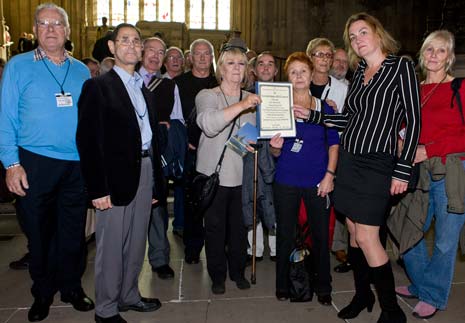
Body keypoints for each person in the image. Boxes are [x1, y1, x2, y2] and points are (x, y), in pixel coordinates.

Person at [299, 12, 420, 323]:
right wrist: (313, 116)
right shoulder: (361, 70)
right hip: (350, 161)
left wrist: (403, 168)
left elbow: (414, 119)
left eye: (363, 32)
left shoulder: (400, 66)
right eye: (352, 37)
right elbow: (350, 120)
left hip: (378, 164)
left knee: (368, 237)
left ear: (378, 34)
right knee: (353, 232)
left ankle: (392, 312)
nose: (357, 40)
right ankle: (363, 294)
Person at [0, 3, 95, 322]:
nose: (51, 29)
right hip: (34, 162)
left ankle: (70, 287)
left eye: (57, 24)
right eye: (44, 24)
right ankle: (42, 292)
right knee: (39, 234)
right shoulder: (18, 65)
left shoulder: (82, 70)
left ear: (67, 31)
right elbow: (6, 117)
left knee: (72, 232)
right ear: (36, 30)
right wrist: (11, 163)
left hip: (76, 164)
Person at [76, 23, 165, 323]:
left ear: (141, 50)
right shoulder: (98, 86)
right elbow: (87, 142)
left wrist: (155, 186)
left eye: (136, 41)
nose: (131, 45)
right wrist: (97, 190)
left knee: (137, 240)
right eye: (123, 40)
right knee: (112, 246)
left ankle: (129, 295)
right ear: (112, 48)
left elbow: (152, 140)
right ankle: (106, 309)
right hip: (113, 179)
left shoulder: (145, 90)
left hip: (144, 170)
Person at [394, 30, 465, 319]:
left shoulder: (459, 89)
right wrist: (400, 139)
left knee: (446, 240)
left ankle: (433, 294)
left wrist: (430, 149)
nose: (434, 55)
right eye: (429, 50)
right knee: (406, 229)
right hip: (417, 170)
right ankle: (424, 284)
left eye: (441, 50)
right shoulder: (414, 89)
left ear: (449, 57)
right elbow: (402, 123)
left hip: (452, 169)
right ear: (422, 55)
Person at [270, 52, 339, 305]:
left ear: (312, 75)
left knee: (320, 235)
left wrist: (329, 175)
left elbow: (333, 144)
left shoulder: (325, 107)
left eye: (303, 71)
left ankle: (323, 286)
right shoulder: (278, 106)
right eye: (293, 72)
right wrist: (275, 147)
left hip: (317, 180)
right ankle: (283, 285)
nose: (299, 76)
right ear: (287, 77)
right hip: (286, 179)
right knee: (285, 234)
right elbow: (276, 151)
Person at [196, 44, 260, 294]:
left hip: (239, 176)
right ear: (221, 69)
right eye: (231, 63)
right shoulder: (208, 95)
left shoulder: (250, 98)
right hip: (212, 175)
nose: (237, 68)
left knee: (238, 229)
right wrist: (243, 105)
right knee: (214, 230)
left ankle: (237, 271)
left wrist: (254, 142)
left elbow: (242, 140)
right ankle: (217, 276)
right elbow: (210, 125)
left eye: (242, 64)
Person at [139, 36, 184, 280]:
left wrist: (168, 129)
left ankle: (159, 258)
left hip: (158, 152)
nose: (155, 56)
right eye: (151, 51)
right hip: (129, 154)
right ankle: (129, 260)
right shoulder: (128, 81)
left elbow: (177, 119)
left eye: (160, 53)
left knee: (157, 206)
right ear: (141, 52)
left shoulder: (168, 86)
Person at [306, 38, 350, 274]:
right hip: (304, 151)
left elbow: (349, 123)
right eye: (319, 54)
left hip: (331, 151)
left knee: (326, 206)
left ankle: (323, 250)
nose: (324, 59)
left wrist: (334, 113)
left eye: (327, 55)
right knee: (303, 206)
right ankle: (303, 249)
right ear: (310, 56)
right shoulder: (299, 82)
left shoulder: (343, 89)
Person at [175, 39, 218, 264]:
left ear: (213, 57)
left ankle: (218, 248)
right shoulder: (178, 83)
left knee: (217, 199)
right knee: (193, 201)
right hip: (191, 150)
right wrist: (186, 141)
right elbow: (174, 119)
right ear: (190, 57)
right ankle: (192, 248)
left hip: (217, 150)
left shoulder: (218, 82)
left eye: (207, 53)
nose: (202, 58)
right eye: (198, 54)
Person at [245, 51, 278, 263]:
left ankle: (276, 249)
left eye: (270, 64)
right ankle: (254, 249)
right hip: (253, 153)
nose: (265, 68)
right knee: (252, 197)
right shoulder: (244, 96)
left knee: (275, 201)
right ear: (255, 70)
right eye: (261, 64)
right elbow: (240, 130)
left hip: (278, 153)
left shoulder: (285, 94)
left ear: (276, 70)